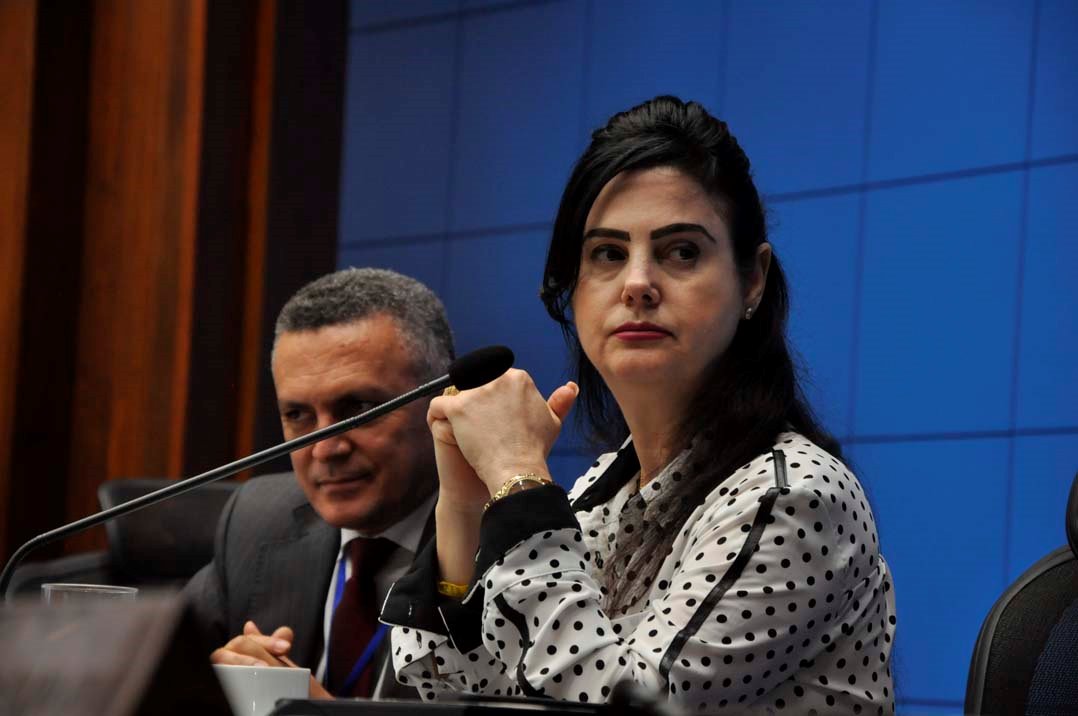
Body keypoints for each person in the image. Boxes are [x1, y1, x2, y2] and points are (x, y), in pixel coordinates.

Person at [382, 97, 897, 714]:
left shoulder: (793, 496)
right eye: (607, 253)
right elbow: (465, 696)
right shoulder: (604, 492)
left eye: (682, 252)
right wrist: (468, 502)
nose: (637, 284)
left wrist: (519, 483)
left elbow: (620, 706)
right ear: (572, 288)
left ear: (753, 279)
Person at [184, 267, 454, 700]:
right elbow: (154, 678)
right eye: (298, 415)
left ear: (444, 400)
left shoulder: (508, 547)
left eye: (359, 408)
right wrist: (205, 690)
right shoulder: (257, 519)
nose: (325, 449)